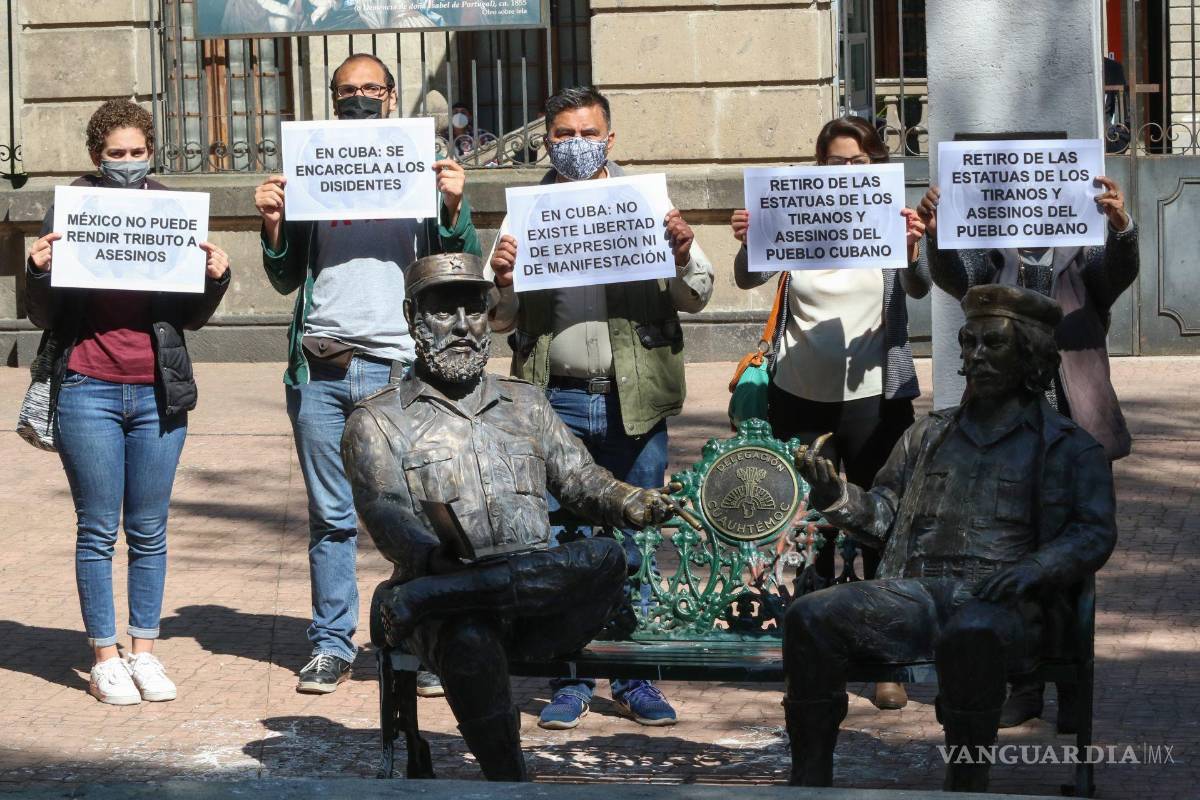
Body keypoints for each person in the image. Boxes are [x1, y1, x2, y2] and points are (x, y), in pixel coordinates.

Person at [342, 252, 675, 781]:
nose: (460, 326)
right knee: (471, 637)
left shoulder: (526, 402)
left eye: (473, 310)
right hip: (446, 613)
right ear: (412, 318)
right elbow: (392, 525)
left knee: (609, 555)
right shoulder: (376, 421)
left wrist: (630, 500)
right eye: (441, 312)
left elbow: (581, 480)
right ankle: (510, 784)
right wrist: (435, 568)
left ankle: (440, 594)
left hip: (536, 609)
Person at [784, 285, 1117, 791]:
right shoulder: (926, 434)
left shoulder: (1070, 448)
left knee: (972, 636)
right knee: (809, 616)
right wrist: (837, 495)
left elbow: (1094, 533)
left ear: (1029, 355)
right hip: (916, 594)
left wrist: (1034, 570)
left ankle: (965, 785)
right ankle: (810, 783)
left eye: (992, 344)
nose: (974, 356)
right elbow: (882, 515)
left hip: (1007, 605)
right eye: (968, 343)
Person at [487, 85, 714, 730]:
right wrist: (501, 280)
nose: (577, 145)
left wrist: (677, 252)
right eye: (563, 135)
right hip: (553, 402)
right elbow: (496, 318)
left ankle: (635, 677)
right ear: (546, 140)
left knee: (633, 537)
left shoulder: (647, 203)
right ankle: (570, 675)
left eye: (588, 134)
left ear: (610, 140)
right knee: (562, 541)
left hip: (632, 403)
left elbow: (698, 290)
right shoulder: (525, 213)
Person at [254, 52, 481, 695]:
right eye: (346, 89)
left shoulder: (417, 165)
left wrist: (454, 207)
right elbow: (284, 276)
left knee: (418, 513)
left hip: (401, 369)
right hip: (323, 368)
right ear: (333, 98)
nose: (359, 98)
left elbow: (457, 268)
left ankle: (420, 640)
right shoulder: (312, 168)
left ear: (390, 96)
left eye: (371, 89)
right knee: (331, 516)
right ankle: (331, 643)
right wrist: (274, 223)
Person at [24, 99, 231, 705]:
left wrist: (214, 276)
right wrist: (36, 269)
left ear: (150, 154)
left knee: (149, 529)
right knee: (96, 531)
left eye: (137, 153)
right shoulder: (72, 212)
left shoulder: (171, 210)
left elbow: (188, 316)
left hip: (158, 394)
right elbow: (43, 313)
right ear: (97, 157)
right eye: (116, 155)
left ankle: (144, 651)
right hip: (88, 387)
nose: (128, 164)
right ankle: (104, 657)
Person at [917, 170, 1137, 728]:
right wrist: (941, 234)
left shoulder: (1083, 250)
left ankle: (1072, 686)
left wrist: (1121, 228)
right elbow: (954, 280)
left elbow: (1117, 275)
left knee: (1071, 564)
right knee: (1007, 549)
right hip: (1006, 431)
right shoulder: (989, 252)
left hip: (1073, 428)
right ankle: (1021, 677)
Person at [730, 115, 929, 711]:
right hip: (799, 396)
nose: (847, 173)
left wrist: (916, 248)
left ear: (875, 165)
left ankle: (886, 661)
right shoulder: (793, 213)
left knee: (878, 526)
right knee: (809, 531)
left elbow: (919, 288)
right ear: (819, 168)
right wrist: (748, 239)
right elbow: (747, 277)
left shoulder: (889, 217)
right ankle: (813, 657)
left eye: (859, 163)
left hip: (875, 398)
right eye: (836, 164)